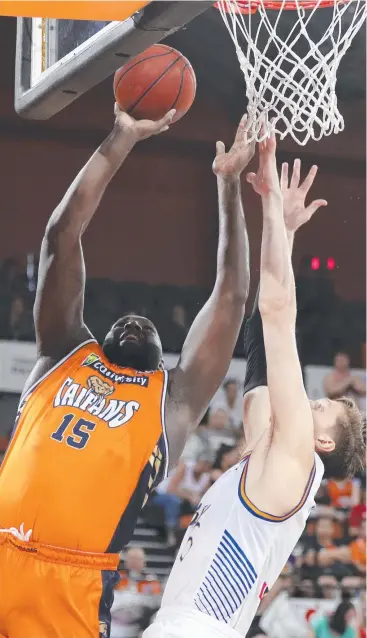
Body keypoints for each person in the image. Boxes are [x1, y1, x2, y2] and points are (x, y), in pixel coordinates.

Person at [0, 107, 254, 638]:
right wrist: (119, 138)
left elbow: (231, 299)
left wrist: (229, 189)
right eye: (129, 321)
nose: (138, 322)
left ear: (166, 355)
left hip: (73, 586)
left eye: (150, 329)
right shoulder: (62, 351)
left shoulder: (172, 400)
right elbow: (60, 236)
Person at [143, 128, 365, 638]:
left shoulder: (295, 458)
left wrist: (270, 210)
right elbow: (261, 353)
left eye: (322, 406)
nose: (310, 398)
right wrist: (282, 235)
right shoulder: (270, 460)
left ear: (322, 441)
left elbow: (277, 311)